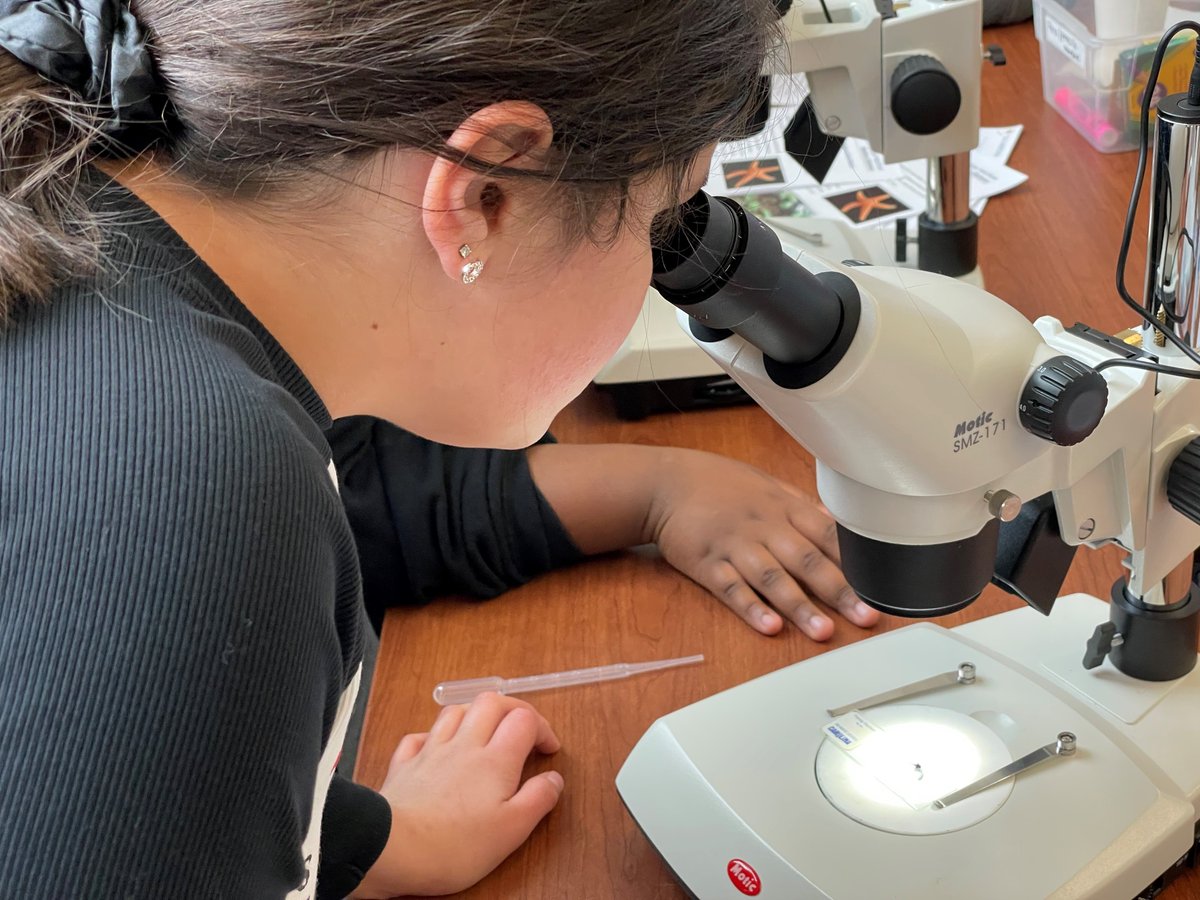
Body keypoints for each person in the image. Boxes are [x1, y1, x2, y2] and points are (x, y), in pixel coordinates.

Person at [0, 1, 873, 897]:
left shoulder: (108, 252)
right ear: (485, 193)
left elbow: (115, 750)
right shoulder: (187, 494)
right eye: (662, 224)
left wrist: (362, 841)